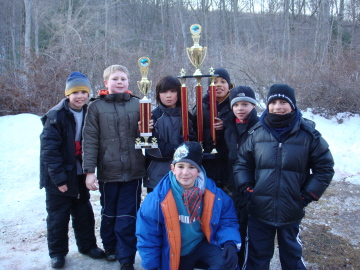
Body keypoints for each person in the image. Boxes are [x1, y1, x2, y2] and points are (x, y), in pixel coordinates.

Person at [234, 84, 335, 270]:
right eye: (273, 102)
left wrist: (306, 196)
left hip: (291, 210)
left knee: (292, 258)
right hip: (259, 210)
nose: (278, 107)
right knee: (256, 259)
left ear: (292, 105)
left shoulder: (308, 134)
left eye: (283, 102)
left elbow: (325, 168)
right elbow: (242, 164)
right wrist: (247, 189)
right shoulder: (256, 133)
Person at [136, 141, 241, 270]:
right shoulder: (157, 199)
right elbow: (148, 237)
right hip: (173, 252)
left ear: (199, 170)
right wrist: (152, 267)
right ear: (173, 169)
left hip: (200, 245)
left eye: (191, 167)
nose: (185, 172)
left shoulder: (214, 194)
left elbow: (227, 220)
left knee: (226, 263)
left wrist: (230, 242)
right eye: (180, 166)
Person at [82, 65, 146, 270]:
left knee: (128, 215)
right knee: (109, 212)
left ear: (129, 82)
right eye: (115, 79)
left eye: (123, 79)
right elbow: (90, 140)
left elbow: (147, 138)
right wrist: (90, 171)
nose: (119, 82)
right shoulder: (96, 107)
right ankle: (110, 247)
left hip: (134, 171)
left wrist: (147, 131)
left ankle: (126, 257)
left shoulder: (139, 104)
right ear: (106, 83)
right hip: (108, 172)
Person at [40, 71, 104, 269]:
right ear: (68, 94)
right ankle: (58, 253)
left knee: (83, 212)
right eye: (75, 92)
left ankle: (87, 246)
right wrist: (59, 180)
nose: (80, 96)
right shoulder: (55, 116)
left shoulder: (89, 112)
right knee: (58, 216)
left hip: (78, 174)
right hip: (58, 176)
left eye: (84, 92)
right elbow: (49, 151)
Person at [223, 86, 259, 267]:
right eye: (236, 104)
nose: (240, 108)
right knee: (235, 224)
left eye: (245, 104)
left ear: (253, 106)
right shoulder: (228, 127)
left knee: (249, 227)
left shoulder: (259, 127)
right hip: (233, 185)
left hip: (252, 185)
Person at [144, 75, 195, 193]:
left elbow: (194, 144)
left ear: (179, 93)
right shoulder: (152, 117)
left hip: (184, 176)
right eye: (164, 91)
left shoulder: (187, 116)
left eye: (173, 91)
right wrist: (179, 148)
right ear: (158, 94)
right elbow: (154, 149)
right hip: (157, 176)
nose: (168, 95)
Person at [192, 67, 234, 191]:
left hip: (228, 162)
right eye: (214, 82)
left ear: (229, 85)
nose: (219, 85)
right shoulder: (201, 106)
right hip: (207, 162)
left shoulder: (235, 106)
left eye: (223, 81)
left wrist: (226, 125)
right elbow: (192, 130)